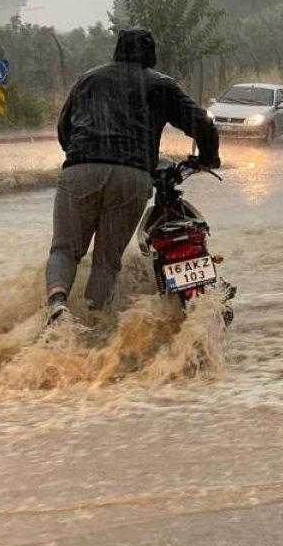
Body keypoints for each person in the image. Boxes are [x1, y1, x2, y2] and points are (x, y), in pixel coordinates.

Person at [45, 28, 220, 325]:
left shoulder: (88, 79)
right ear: (150, 56)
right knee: (106, 260)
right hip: (132, 176)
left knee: (64, 249)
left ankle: (58, 302)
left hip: (81, 168)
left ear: (117, 50)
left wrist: (82, 155)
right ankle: (92, 321)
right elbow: (202, 122)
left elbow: (64, 130)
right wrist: (208, 158)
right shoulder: (160, 84)